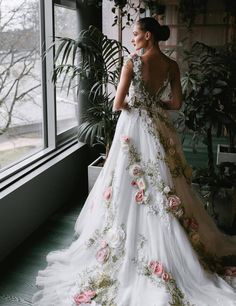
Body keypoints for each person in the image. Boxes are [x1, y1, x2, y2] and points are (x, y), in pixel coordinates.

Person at [33, 17, 236, 306]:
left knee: (127, 182)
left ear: (148, 36)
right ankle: (173, 246)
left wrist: (135, 104)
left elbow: (117, 104)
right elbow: (176, 104)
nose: (133, 38)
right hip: (158, 127)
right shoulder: (172, 65)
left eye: (136, 34)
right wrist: (154, 105)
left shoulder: (133, 62)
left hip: (134, 128)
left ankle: (127, 244)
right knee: (164, 183)